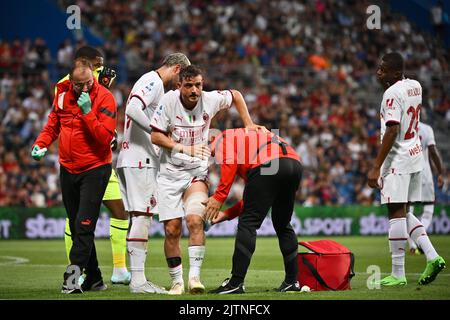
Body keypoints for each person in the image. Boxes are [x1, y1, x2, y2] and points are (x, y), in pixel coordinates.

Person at [150, 65, 266, 295]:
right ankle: (176, 282)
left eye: (198, 85)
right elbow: (155, 136)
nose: (195, 90)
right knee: (172, 230)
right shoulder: (168, 102)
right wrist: (186, 148)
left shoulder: (210, 99)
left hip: (196, 173)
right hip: (169, 174)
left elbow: (235, 95)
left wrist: (248, 124)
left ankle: (194, 279)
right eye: (189, 85)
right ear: (178, 86)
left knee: (195, 221)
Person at [31, 60, 117, 293]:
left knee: (84, 224)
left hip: (95, 169)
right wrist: (41, 143)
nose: (86, 88)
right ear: (70, 82)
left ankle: (71, 279)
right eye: (80, 85)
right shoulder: (62, 94)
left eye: (89, 82)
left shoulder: (105, 98)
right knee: (76, 224)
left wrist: (88, 112)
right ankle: (95, 279)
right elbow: (53, 124)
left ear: (93, 77)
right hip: (67, 168)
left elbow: (104, 138)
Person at [367, 52, 445, 287]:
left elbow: (392, 129)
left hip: (397, 159)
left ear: (396, 73)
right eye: (379, 68)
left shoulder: (391, 94)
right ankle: (432, 256)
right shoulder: (415, 85)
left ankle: (398, 273)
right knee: (404, 210)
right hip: (414, 157)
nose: (379, 72)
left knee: (394, 212)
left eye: (384, 69)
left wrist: (376, 166)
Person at [116, 52, 191, 294]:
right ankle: (138, 282)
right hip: (140, 160)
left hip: (136, 159)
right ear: (177, 68)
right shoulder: (152, 81)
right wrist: (156, 132)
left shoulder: (153, 83)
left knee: (140, 216)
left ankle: (138, 279)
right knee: (142, 217)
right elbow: (132, 109)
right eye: (182, 80)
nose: (180, 86)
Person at [58, 46, 131, 285]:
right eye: (97, 65)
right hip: (80, 163)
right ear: (83, 63)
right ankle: (81, 277)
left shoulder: (100, 85)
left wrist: (102, 88)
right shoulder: (63, 87)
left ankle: (117, 270)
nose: (102, 69)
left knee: (119, 211)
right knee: (78, 221)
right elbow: (66, 121)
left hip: (101, 162)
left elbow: (105, 123)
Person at [204, 129, 302, 294]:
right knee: (283, 224)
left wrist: (219, 197)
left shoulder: (220, 139)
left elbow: (229, 162)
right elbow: (254, 198)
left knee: (248, 224)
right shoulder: (248, 142)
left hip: (269, 162)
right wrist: (227, 214)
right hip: (293, 163)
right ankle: (292, 282)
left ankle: (235, 283)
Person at [408, 119, 445, 254]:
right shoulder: (426, 129)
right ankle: (421, 240)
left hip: (408, 172)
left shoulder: (404, 127)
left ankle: (412, 244)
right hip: (425, 174)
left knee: (407, 210)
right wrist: (441, 172)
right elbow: (433, 151)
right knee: (428, 208)